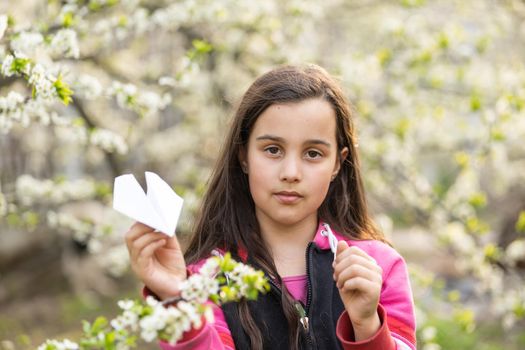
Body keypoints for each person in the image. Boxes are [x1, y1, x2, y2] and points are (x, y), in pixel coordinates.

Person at [125, 64, 416, 350]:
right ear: (243, 156)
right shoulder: (206, 278)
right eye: (273, 150)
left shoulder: (377, 267)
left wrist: (367, 326)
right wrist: (177, 299)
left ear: (337, 163)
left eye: (313, 153)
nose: (291, 172)